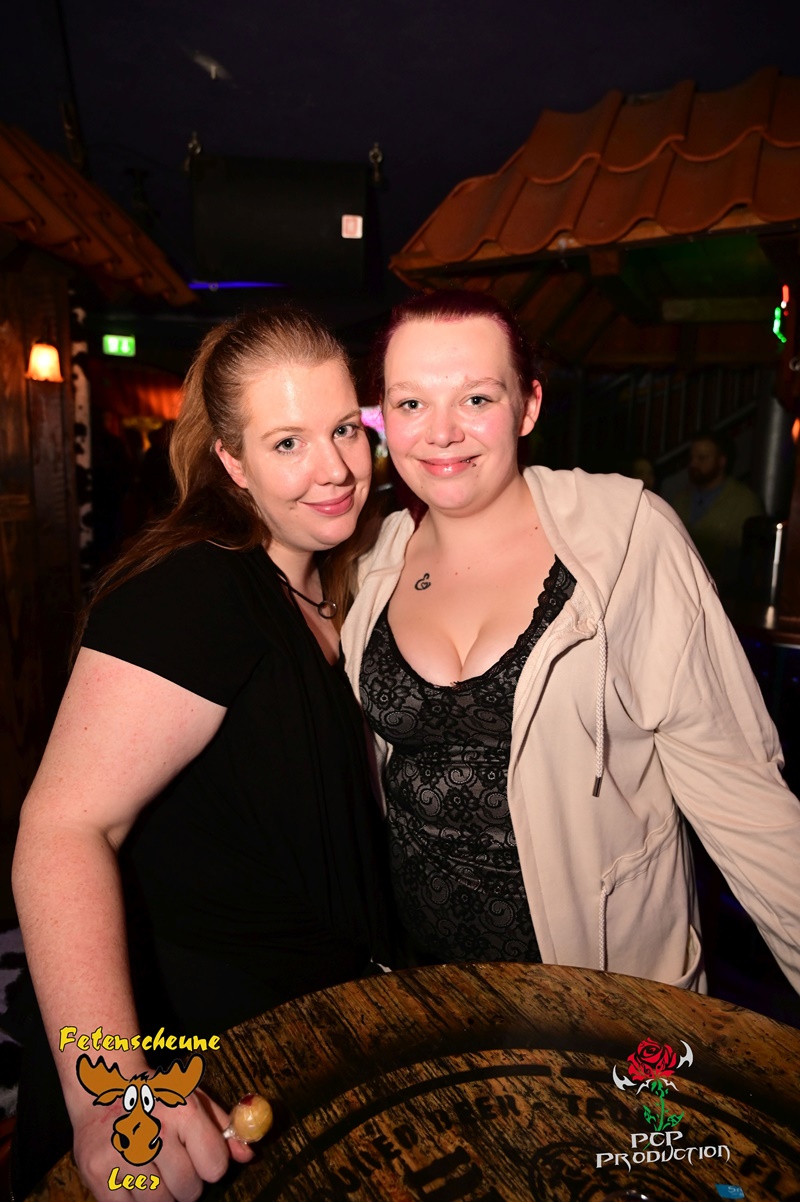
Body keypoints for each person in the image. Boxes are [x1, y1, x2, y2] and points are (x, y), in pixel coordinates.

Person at [11, 307, 391, 1201]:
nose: (336, 468)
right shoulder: (194, 590)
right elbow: (61, 828)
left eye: (345, 429)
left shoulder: (336, 580)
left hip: (294, 1039)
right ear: (232, 462)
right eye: (288, 442)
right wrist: (110, 1088)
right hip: (188, 1055)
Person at [341, 289, 800, 997]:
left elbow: (742, 796)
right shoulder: (371, 558)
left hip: (600, 996)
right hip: (422, 993)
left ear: (528, 406)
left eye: (476, 398)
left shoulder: (625, 539)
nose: (441, 432)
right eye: (411, 403)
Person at [672, 429, 763, 593]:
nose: (694, 464)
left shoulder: (744, 502)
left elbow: (750, 560)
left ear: (721, 461)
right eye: (692, 458)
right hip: (679, 587)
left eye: (702, 458)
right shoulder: (680, 499)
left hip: (722, 593)